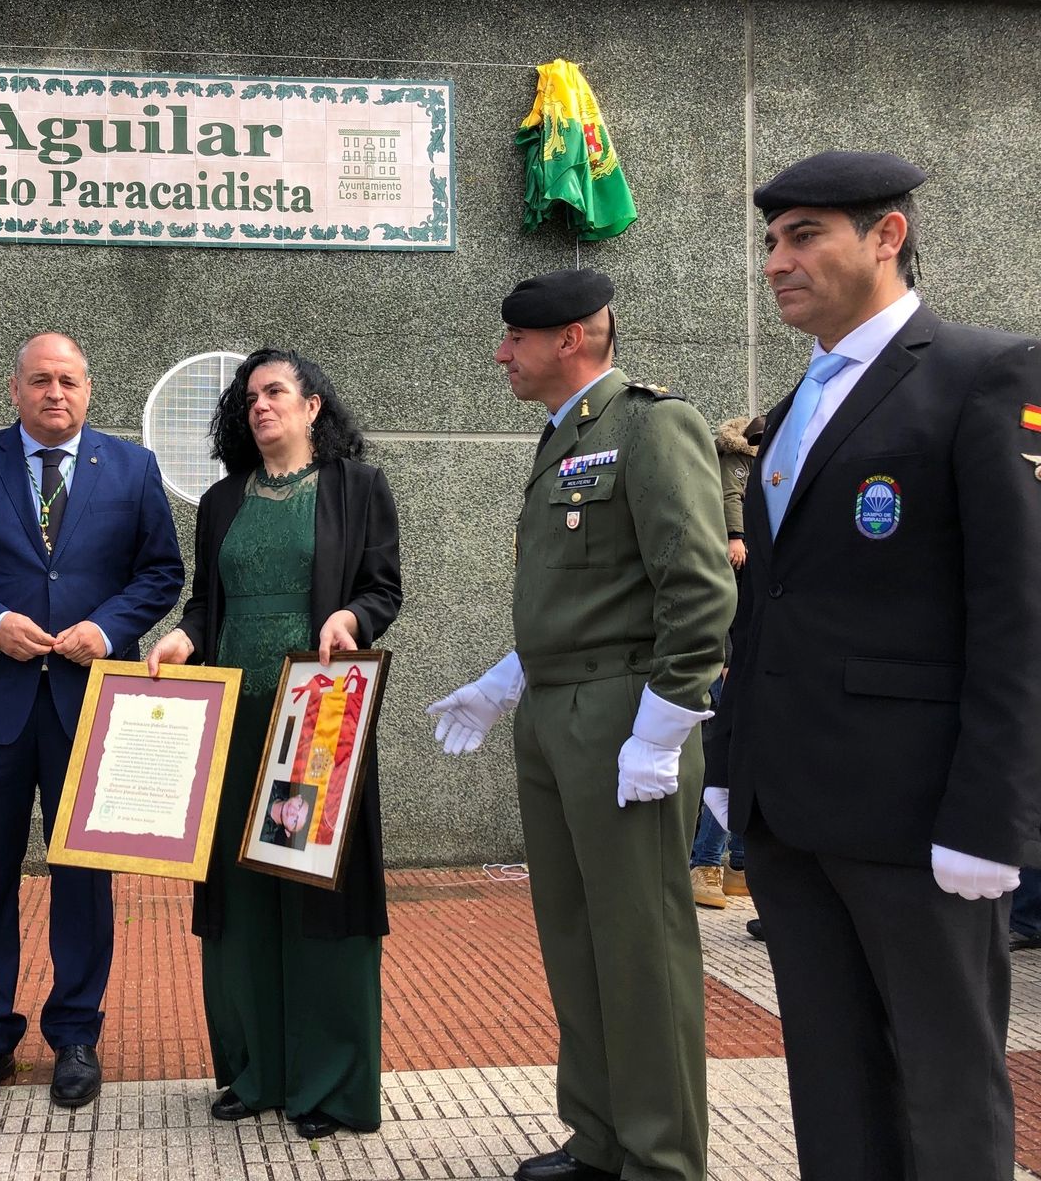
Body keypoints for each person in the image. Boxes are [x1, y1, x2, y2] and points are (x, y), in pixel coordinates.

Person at [703, 150, 1041, 1181]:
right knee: (832, 1081)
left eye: (803, 235)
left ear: (885, 236)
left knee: (945, 1086)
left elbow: (1017, 612)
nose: (775, 262)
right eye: (770, 240)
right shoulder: (798, 400)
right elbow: (769, 602)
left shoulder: (982, 372)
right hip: (792, 809)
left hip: (917, 816)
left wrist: (993, 820)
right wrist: (731, 762)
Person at [427, 268, 736, 1181]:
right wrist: (507, 677)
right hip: (555, 710)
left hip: (622, 716)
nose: (502, 354)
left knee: (641, 947)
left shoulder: (650, 424)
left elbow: (696, 586)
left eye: (516, 338)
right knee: (574, 934)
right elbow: (591, 590)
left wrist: (665, 724)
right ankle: (600, 1136)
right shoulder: (564, 437)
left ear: (570, 338)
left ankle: (660, 1157)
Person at [0, 332, 183, 1114]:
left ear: (89, 389)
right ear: (14, 389)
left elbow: (161, 571)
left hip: (90, 704)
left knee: (85, 876)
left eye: (67, 381)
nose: (54, 393)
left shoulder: (131, 468)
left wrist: (109, 625)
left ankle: (75, 1036)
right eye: (39, 381)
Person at [145, 347, 401, 1141]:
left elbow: (382, 585)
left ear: (312, 405)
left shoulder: (358, 487)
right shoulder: (221, 501)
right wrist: (185, 637)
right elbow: (204, 602)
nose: (261, 406)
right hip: (231, 723)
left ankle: (327, 1084)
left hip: (316, 719)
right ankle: (253, 1072)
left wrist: (351, 619)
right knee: (241, 900)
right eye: (250, 396)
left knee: (315, 890)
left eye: (277, 392)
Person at [689, 414, 762, 909]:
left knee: (744, 759)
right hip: (726, 658)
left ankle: (737, 866)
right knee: (724, 761)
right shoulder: (729, 540)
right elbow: (727, 601)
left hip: (752, 658)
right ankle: (707, 866)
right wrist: (729, 658)